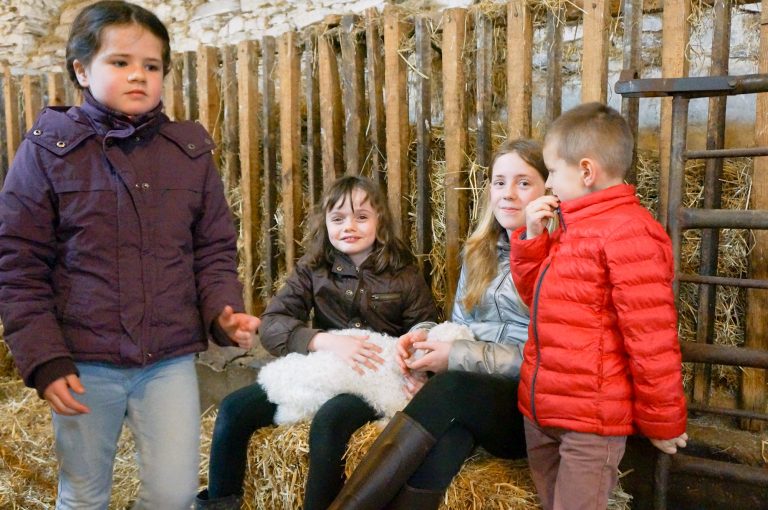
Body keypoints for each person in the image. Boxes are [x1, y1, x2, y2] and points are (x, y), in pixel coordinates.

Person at [0, 2, 260, 508]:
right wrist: (45, 358)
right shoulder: (48, 151)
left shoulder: (188, 154)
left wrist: (222, 309)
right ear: (82, 70)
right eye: (120, 62)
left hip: (167, 359)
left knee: (174, 494)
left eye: (152, 65)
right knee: (84, 494)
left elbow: (212, 248)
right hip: (82, 360)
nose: (138, 75)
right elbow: (18, 264)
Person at [329, 139, 549, 510]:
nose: (508, 194)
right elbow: (461, 326)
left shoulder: (558, 256)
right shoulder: (479, 252)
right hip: (474, 395)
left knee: (452, 389)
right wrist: (425, 340)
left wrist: (455, 358)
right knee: (447, 438)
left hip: (529, 405)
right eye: (499, 182)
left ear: (548, 190)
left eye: (523, 183)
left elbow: (544, 355)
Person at [198, 175, 438, 509]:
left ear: (380, 221)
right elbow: (272, 324)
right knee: (233, 409)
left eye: (361, 217)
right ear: (325, 223)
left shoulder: (404, 274)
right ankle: (219, 505)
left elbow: (425, 328)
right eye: (338, 219)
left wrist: (417, 365)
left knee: (330, 420)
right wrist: (323, 340)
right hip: (323, 372)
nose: (348, 227)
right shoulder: (313, 269)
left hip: (371, 382)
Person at [510, 102, 688, 510]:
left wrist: (663, 420)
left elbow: (651, 338)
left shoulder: (630, 234)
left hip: (590, 422)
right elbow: (537, 302)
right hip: (544, 410)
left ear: (586, 171)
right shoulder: (570, 228)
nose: (548, 184)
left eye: (553, 172)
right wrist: (533, 238)